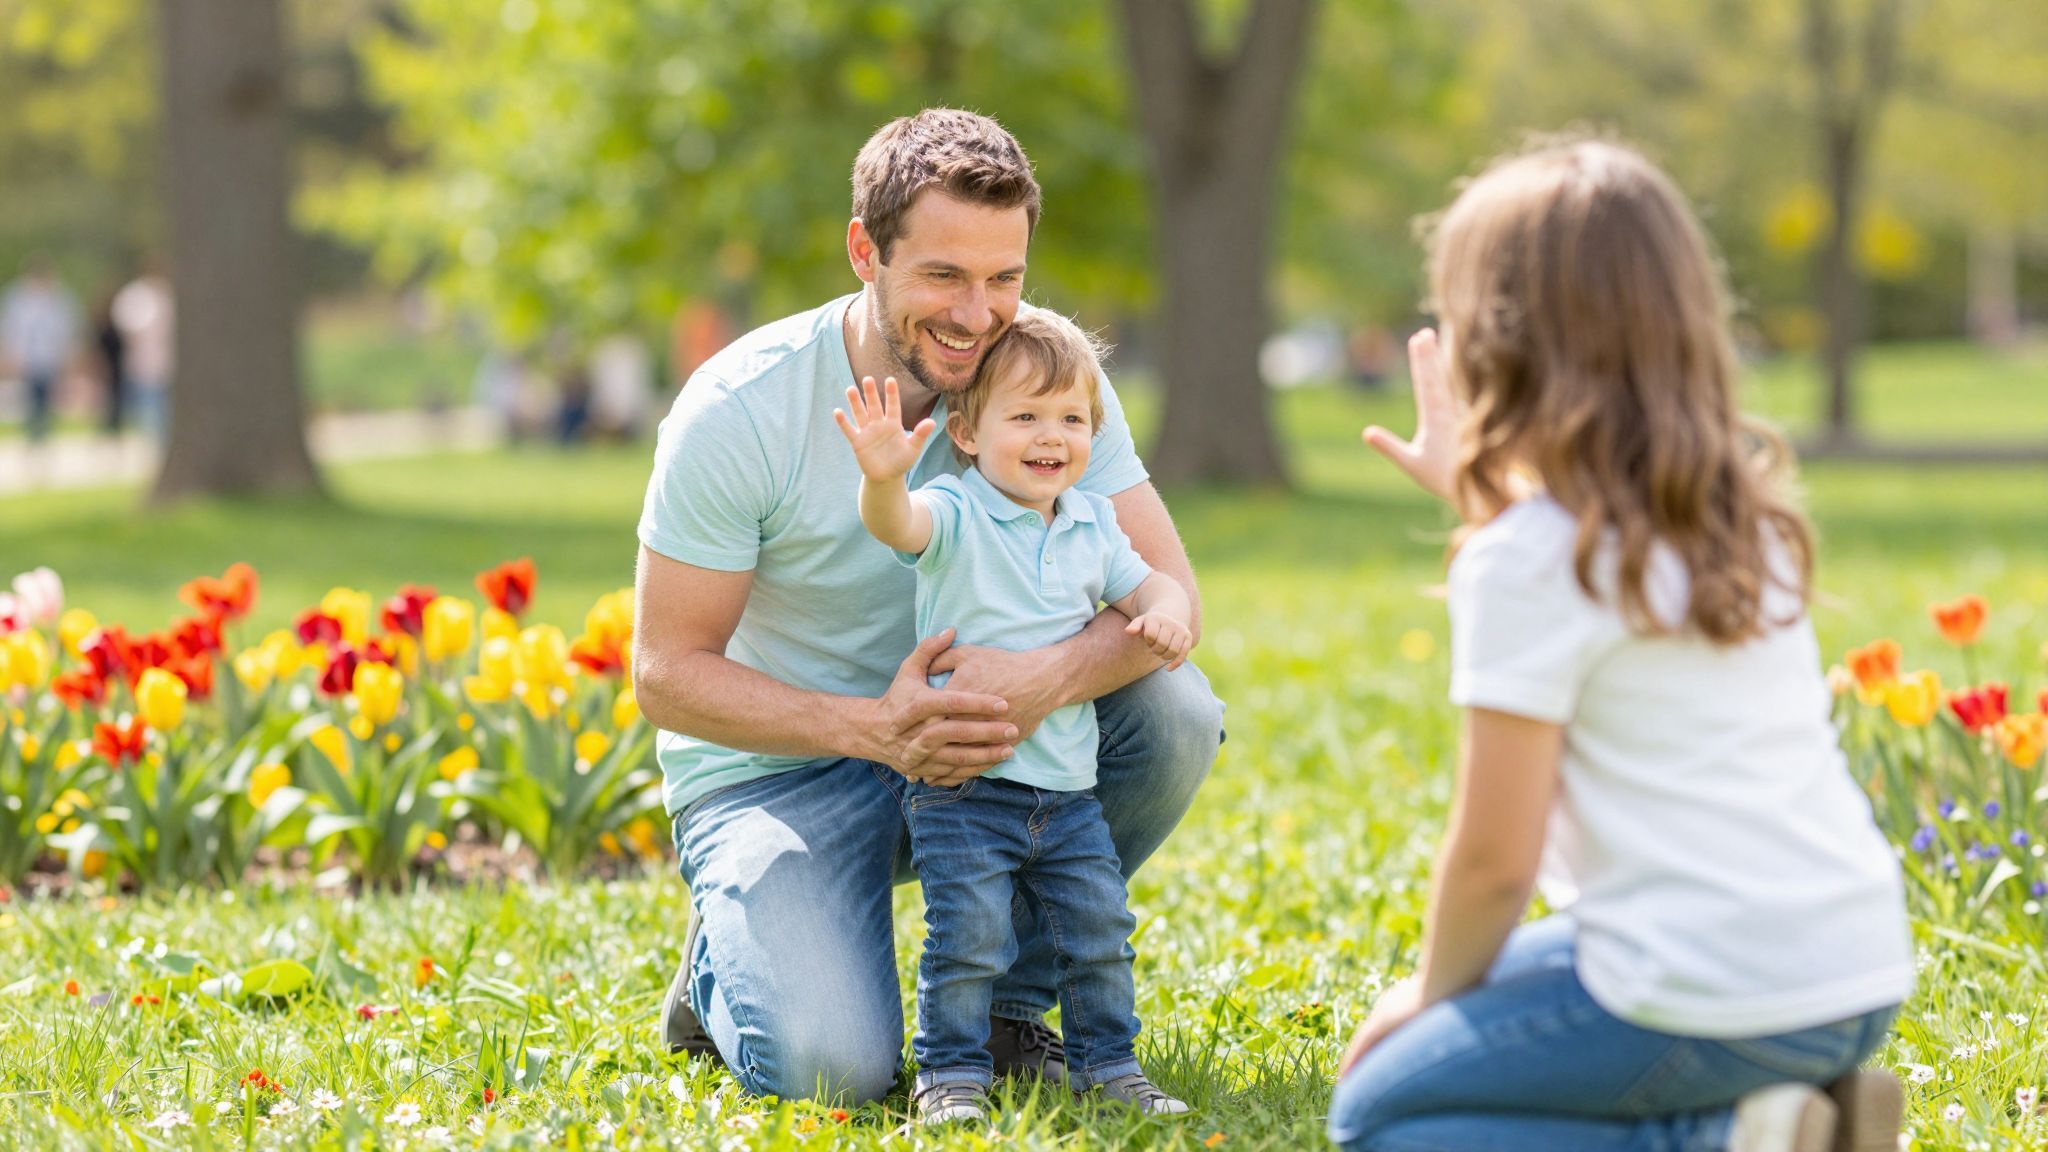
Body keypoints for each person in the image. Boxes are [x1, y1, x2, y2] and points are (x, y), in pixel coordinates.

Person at [1327, 139, 1911, 1152]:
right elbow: (1582, 576)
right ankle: (1803, 1117)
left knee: (1376, 1115)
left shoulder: (1526, 561)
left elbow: (1492, 865)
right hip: (1853, 975)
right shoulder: (1738, 516)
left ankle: (1724, 1140)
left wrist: (1424, 996)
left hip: (1720, 1001)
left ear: (1492, 343)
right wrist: (1488, 503)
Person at [632, 108, 1223, 1105]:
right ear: (865, 250)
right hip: (785, 772)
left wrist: (1033, 684)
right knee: (831, 1070)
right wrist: (873, 729)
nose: (978, 315)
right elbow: (665, 675)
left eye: (1006, 279)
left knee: (1173, 717)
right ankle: (716, 966)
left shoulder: (1045, 381)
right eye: (943, 276)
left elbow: (1169, 598)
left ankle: (1002, 1011)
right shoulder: (740, 409)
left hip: (996, 751)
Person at [834, 311, 1195, 1124]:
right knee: (968, 938)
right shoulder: (955, 512)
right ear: (964, 432)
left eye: (1071, 419)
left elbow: (1155, 585)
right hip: (966, 790)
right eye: (1024, 416)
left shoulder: (1092, 526)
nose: (1050, 436)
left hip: (1067, 793)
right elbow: (897, 525)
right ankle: (951, 1074)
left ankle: (1110, 1064)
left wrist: (1165, 612)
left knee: (1099, 931)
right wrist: (884, 477)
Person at [0, 256, 79, 443]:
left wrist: (68, 355)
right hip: (28, 358)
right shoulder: (17, 299)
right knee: (30, 398)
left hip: (50, 357)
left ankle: (42, 434)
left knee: (47, 397)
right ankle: (33, 435)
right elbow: (10, 329)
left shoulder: (60, 298)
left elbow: (67, 329)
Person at [112, 265, 174, 444]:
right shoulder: (139, 297)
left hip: (163, 365)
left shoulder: (165, 296)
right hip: (145, 364)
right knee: (149, 407)